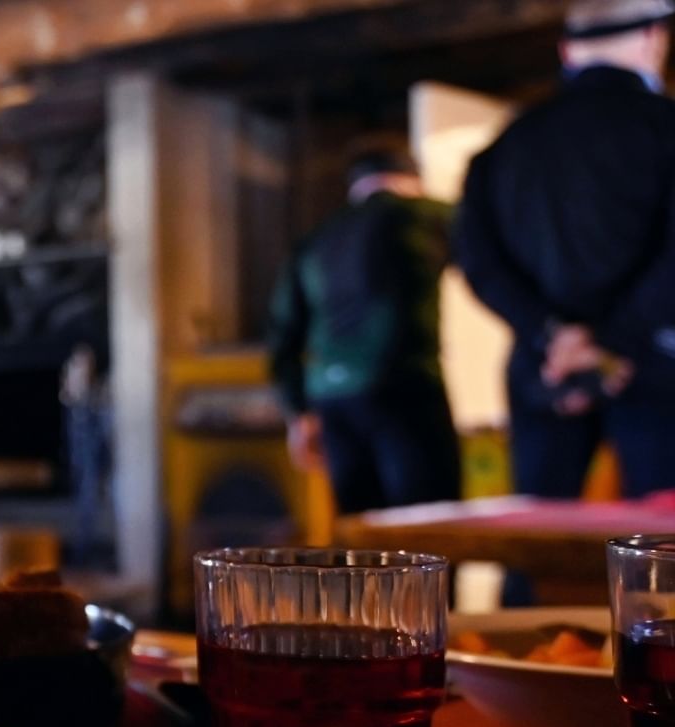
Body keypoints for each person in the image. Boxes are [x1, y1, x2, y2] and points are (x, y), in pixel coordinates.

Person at [455, 0, 675, 498]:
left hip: (545, 366)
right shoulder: (666, 126)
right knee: (661, 536)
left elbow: (480, 264)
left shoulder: (503, 146)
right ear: (654, 39)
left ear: (566, 51)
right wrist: (611, 339)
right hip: (656, 363)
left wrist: (553, 335)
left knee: (541, 530)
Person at [266, 143, 463, 515]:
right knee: (429, 523)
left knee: (360, 528)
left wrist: (298, 411)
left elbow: (282, 335)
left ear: (355, 186)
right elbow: (491, 259)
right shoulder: (424, 214)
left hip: (331, 398)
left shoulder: (317, 238)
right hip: (402, 386)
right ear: (414, 181)